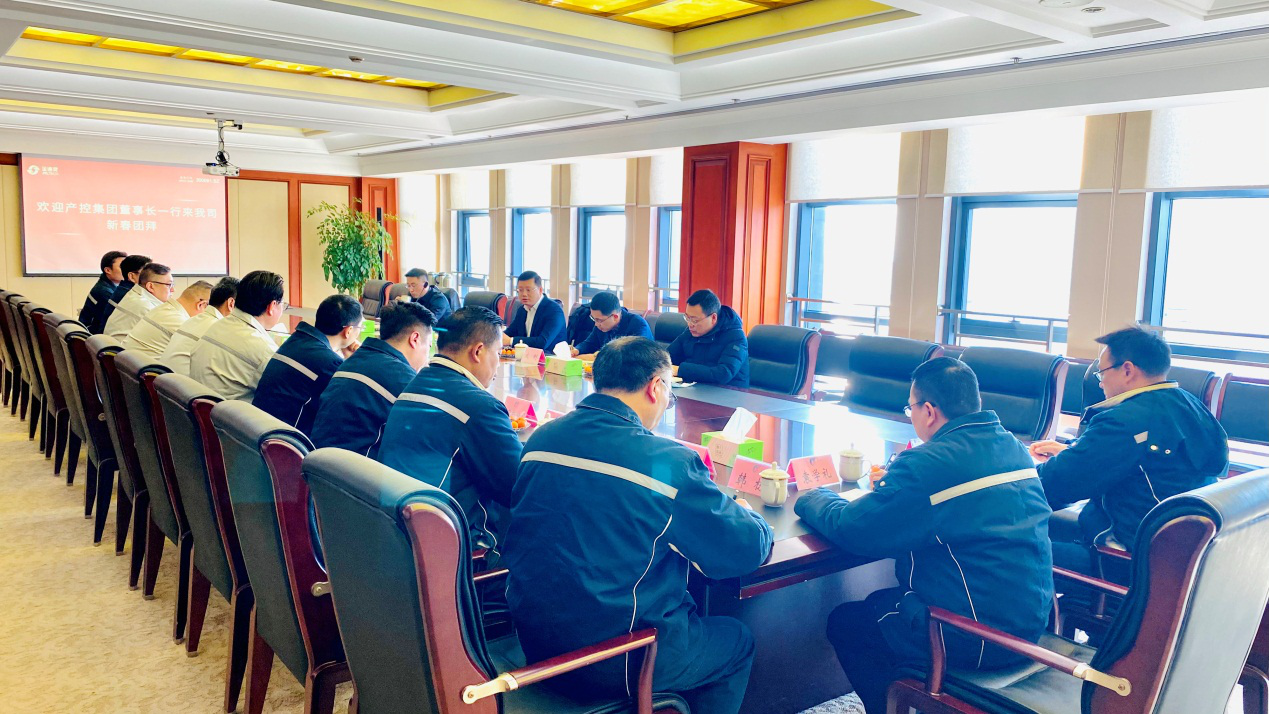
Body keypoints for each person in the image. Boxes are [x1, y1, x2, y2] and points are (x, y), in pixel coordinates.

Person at [505, 337, 773, 714]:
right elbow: (742, 551)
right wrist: (753, 517)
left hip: (534, 641)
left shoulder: (542, 439)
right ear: (656, 387)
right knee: (736, 640)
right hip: (619, 656)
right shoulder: (666, 462)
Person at [795, 357, 1054, 714]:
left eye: (911, 408)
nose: (911, 415)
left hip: (973, 636)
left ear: (929, 411)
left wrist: (813, 496)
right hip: (1030, 625)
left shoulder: (928, 462)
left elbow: (854, 529)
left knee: (849, 624)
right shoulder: (1013, 447)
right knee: (882, 603)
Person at [1032, 326, 1228, 566]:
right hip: (1186, 556)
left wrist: (1016, 474)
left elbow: (1057, 483)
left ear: (1127, 370)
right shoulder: (1192, 405)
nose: (1101, 383)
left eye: (1101, 373)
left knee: (1010, 553)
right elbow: (1151, 464)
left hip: (1125, 560)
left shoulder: (1124, 420)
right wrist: (1074, 450)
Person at [378, 306, 519, 562]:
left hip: (398, 533)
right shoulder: (479, 406)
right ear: (478, 351)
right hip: (454, 551)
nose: (498, 364)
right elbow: (517, 486)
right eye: (498, 353)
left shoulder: (414, 385)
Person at [309, 302, 434, 458]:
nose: (427, 357)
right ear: (415, 339)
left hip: (316, 461)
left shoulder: (353, 360)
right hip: (351, 471)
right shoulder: (406, 382)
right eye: (429, 346)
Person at [253, 294, 363, 436]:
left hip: (258, 427)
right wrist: (351, 362)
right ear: (348, 331)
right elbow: (349, 403)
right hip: (286, 440)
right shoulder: (331, 363)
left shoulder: (295, 340)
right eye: (360, 327)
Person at [188, 270, 285, 401]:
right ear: (272, 306)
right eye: (283, 304)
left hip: (203, 408)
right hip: (228, 412)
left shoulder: (216, 326)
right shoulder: (264, 351)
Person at [667, 289, 749, 388]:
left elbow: (723, 374)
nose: (690, 324)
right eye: (687, 318)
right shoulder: (691, 332)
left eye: (695, 320)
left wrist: (680, 370)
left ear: (713, 318)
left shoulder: (736, 337)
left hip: (729, 392)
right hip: (695, 389)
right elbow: (666, 356)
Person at [160, 277, 237, 376]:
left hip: (167, 381)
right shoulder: (219, 328)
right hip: (183, 383)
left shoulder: (192, 320)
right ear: (231, 304)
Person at [121, 280, 212, 358]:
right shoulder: (181, 322)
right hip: (148, 370)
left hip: (132, 366)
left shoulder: (162, 309)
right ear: (201, 305)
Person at [570, 291, 652, 359]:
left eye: (599, 320)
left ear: (615, 317)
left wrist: (598, 355)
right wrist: (577, 350)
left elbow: (631, 355)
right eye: (594, 319)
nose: (596, 324)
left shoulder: (638, 325)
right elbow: (590, 343)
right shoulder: (601, 325)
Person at [104, 262, 174, 341]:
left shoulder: (135, 295)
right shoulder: (147, 307)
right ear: (150, 286)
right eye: (169, 285)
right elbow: (173, 335)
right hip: (123, 348)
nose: (172, 290)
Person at [502, 271, 566, 351]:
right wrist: (497, 336)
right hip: (526, 356)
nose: (524, 294)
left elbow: (543, 342)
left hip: (550, 357)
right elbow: (510, 332)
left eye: (528, 290)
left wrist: (511, 341)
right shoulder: (522, 310)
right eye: (520, 290)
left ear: (540, 290)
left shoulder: (554, 310)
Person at [97, 254, 151, 332]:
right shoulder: (130, 296)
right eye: (146, 274)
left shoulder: (123, 289)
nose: (152, 277)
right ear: (132, 276)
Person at [80, 250, 126, 334]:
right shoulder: (104, 292)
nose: (127, 270)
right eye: (122, 267)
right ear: (108, 270)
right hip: (94, 336)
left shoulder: (111, 285)